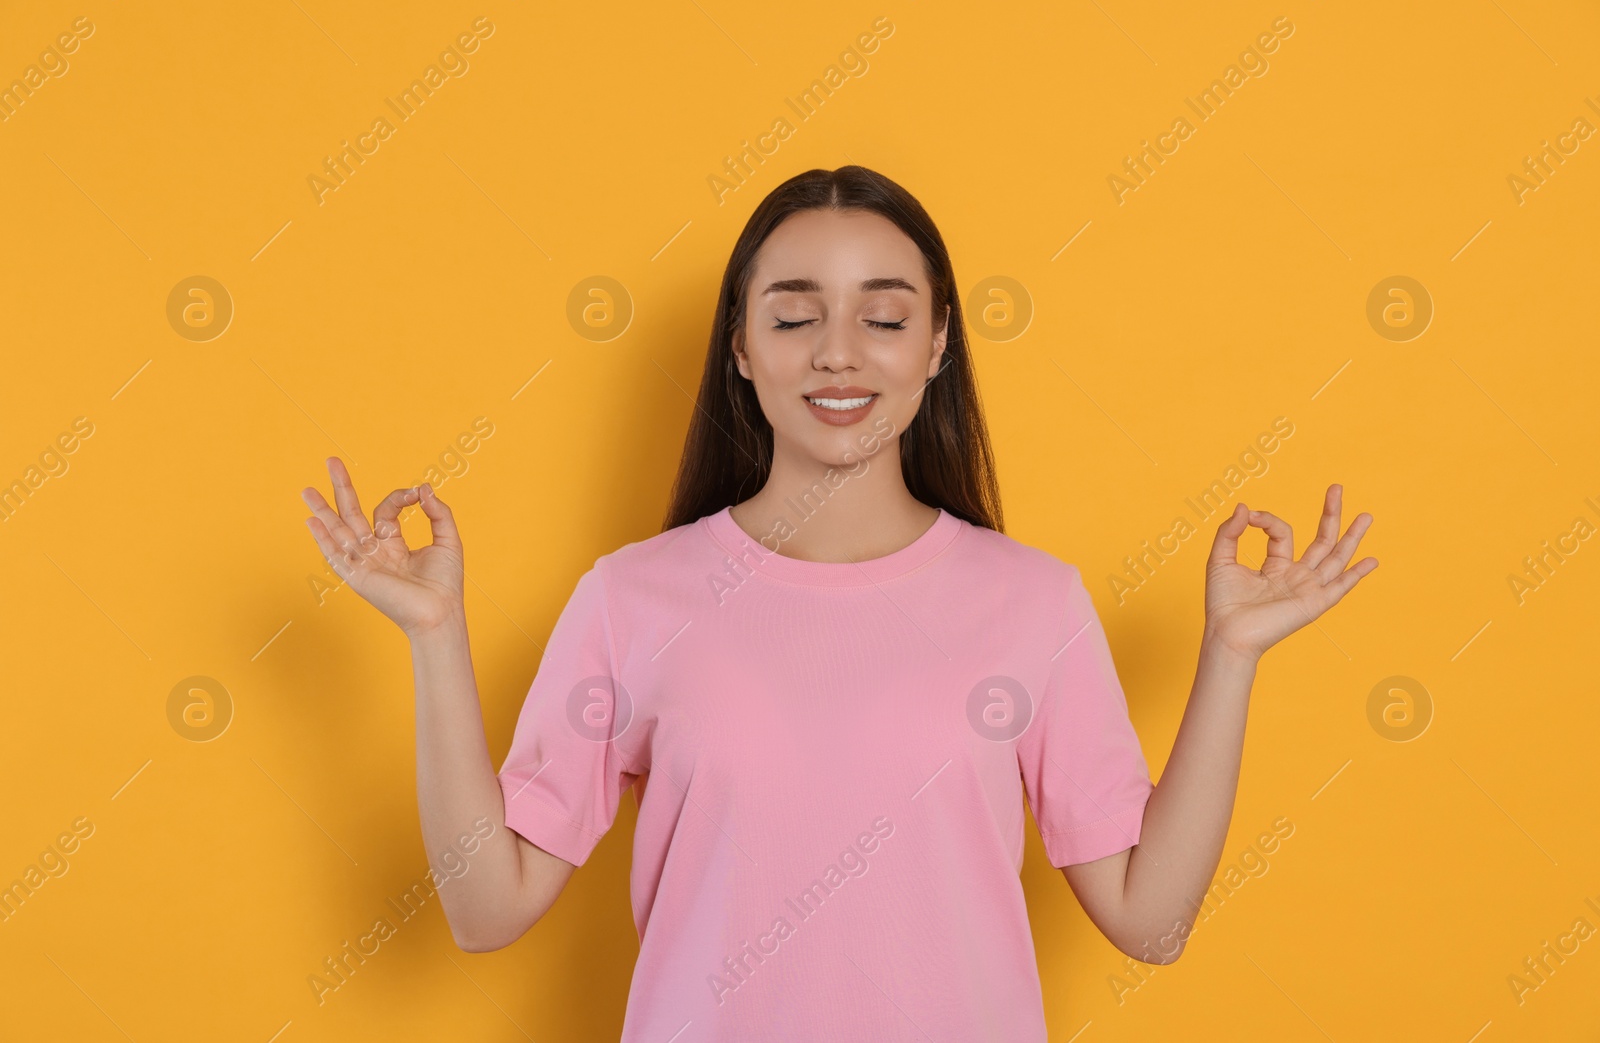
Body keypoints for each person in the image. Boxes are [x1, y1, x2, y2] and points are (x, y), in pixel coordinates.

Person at [299, 165, 1377, 1040]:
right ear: (739, 345)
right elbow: (486, 906)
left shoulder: (1031, 604)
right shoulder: (634, 597)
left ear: (939, 343)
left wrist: (1231, 654)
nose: (838, 352)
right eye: (795, 313)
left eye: (884, 315)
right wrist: (435, 638)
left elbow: (1152, 920)